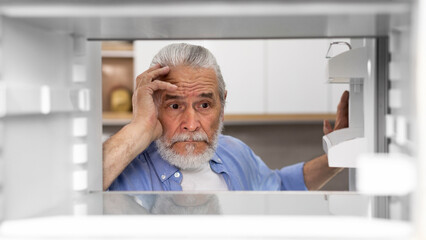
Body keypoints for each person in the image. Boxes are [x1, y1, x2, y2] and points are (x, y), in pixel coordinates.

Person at [103, 43, 348, 191]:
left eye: (204, 104)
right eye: (175, 105)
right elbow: (72, 192)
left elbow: (280, 188)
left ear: (222, 105)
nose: (190, 124)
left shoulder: (235, 152)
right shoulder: (123, 167)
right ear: (154, 107)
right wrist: (139, 127)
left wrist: (339, 156)